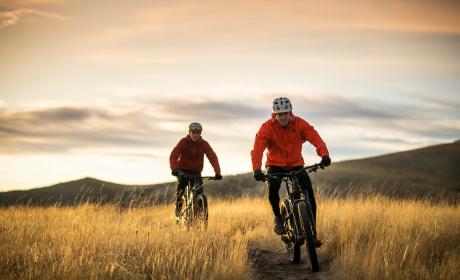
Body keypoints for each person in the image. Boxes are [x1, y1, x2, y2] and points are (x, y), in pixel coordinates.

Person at [251, 97, 331, 247]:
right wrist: (256, 169)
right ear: (274, 114)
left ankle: (312, 233)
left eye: (285, 113)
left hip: (296, 164)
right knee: (273, 190)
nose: (283, 117)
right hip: (275, 164)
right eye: (279, 114)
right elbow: (257, 150)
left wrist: (324, 155)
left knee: (308, 191)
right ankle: (278, 219)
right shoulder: (267, 127)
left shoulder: (299, 124)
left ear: (290, 112)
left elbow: (315, 137)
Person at [170, 122, 222, 217]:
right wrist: (174, 169)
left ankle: (197, 216)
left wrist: (217, 172)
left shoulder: (204, 144)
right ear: (189, 132)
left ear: (200, 133)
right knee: (180, 191)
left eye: (197, 132)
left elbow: (212, 157)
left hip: (196, 172)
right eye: (193, 132)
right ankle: (178, 212)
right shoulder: (183, 142)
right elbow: (173, 156)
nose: (195, 135)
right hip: (182, 171)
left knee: (199, 193)